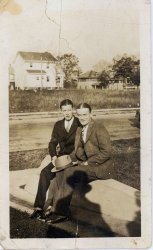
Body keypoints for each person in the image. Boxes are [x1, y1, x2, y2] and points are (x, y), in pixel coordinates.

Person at [46, 103, 115, 223]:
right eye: (79, 115)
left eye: (85, 114)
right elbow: (77, 151)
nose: (82, 117)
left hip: (101, 167)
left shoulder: (99, 127)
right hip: (87, 164)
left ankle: (62, 213)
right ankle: (55, 207)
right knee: (61, 170)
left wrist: (88, 162)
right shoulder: (80, 129)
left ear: (90, 114)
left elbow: (107, 152)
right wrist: (65, 160)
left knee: (70, 173)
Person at [30, 99, 80, 220]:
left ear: (73, 109)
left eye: (69, 110)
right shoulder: (58, 125)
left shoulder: (79, 123)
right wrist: (53, 156)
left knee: (63, 178)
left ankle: (60, 211)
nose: (67, 113)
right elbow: (52, 142)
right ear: (61, 111)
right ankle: (38, 208)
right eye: (64, 110)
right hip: (59, 159)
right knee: (44, 173)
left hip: (73, 159)